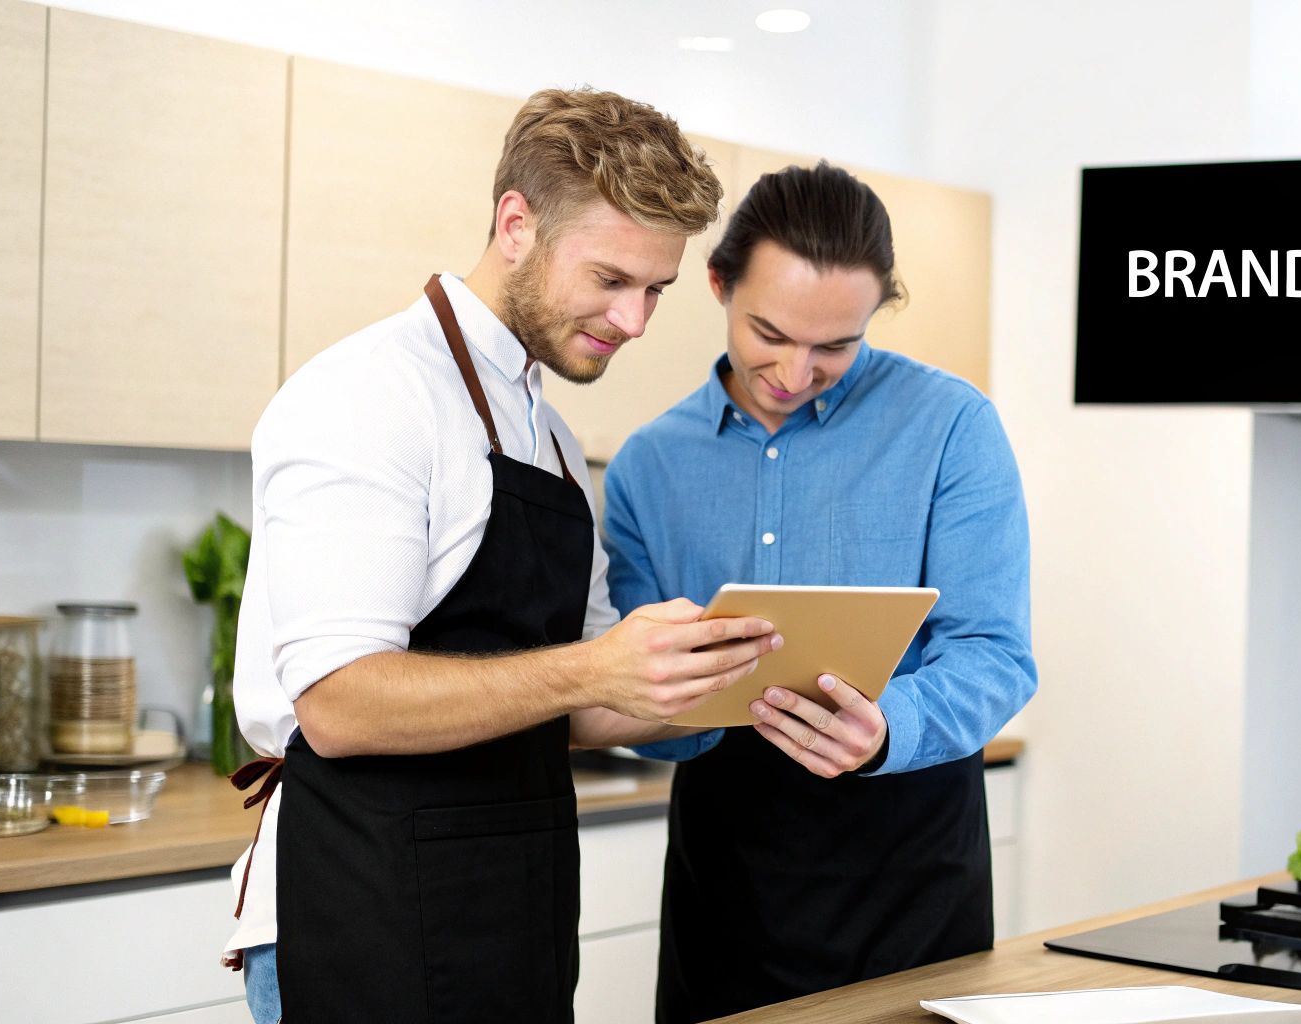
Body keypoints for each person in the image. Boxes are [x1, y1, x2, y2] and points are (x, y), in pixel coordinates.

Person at [220, 88, 778, 1024]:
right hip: (366, 911)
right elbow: (340, 702)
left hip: (512, 908)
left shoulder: (551, 435)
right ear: (515, 223)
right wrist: (596, 666)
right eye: (610, 279)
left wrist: (739, 681)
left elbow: (582, 702)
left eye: (656, 290)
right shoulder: (371, 395)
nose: (636, 321)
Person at [601, 161, 1038, 1023]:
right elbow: (632, 691)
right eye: (770, 332)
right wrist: (656, 707)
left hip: (911, 874)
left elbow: (996, 655)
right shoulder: (647, 467)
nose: (796, 372)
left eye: (835, 345)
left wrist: (887, 730)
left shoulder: (953, 426)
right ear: (720, 283)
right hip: (724, 882)